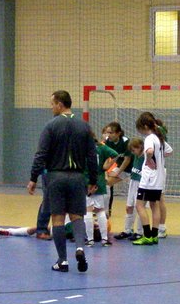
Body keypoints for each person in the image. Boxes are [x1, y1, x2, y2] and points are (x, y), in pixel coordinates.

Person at [28, 90, 97, 272]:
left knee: (57, 218)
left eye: (52, 104)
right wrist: (93, 179)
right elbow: (92, 156)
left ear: (60, 104)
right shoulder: (84, 127)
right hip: (77, 178)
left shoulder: (51, 126)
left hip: (56, 177)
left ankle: (62, 260)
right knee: (77, 216)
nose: (51, 108)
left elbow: (41, 154)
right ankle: (80, 248)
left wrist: (33, 177)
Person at [132, 113, 172, 246]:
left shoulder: (149, 138)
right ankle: (154, 236)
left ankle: (147, 235)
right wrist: (158, 157)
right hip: (158, 178)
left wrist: (149, 160)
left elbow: (149, 151)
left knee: (139, 205)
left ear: (144, 126)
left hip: (149, 178)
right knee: (154, 206)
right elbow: (170, 151)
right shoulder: (159, 138)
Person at [84, 131, 117, 247]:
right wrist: (107, 166)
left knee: (88, 210)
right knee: (100, 210)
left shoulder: (82, 149)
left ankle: (90, 240)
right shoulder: (102, 147)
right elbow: (115, 154)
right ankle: (104, 239)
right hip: (99, 181)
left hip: (86, 181)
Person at [115, 137, 145, 241]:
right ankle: (127, 230)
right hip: (133, 181)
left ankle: (139, 232)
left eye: (134, 149)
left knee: (140, 208)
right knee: (129, 207)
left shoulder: (145, 157)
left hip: (141, 184)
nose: (132, 152)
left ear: (140, 147)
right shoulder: (135, 156)